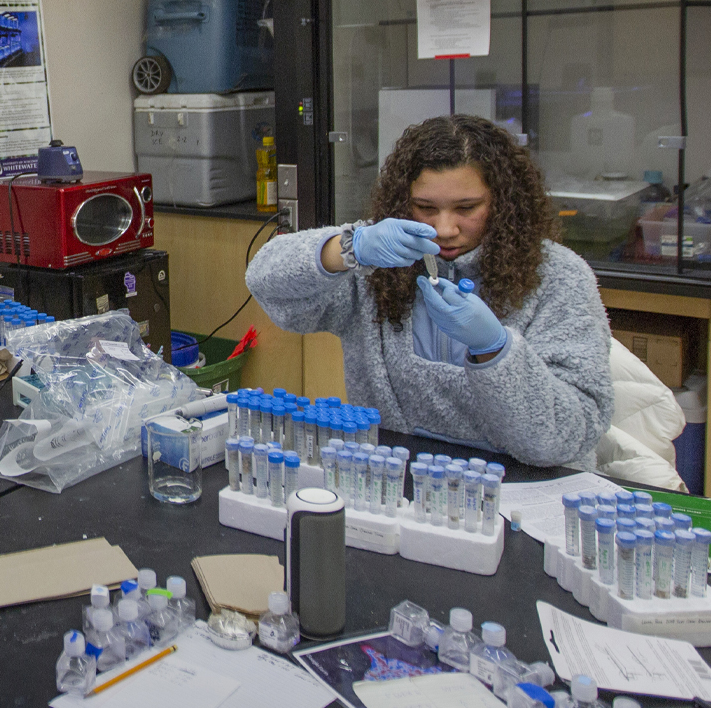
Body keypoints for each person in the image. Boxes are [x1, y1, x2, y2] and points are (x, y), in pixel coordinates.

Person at [246, 114, 613, 468]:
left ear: (503, 202)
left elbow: (568, 436)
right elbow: (266, 283)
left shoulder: (559, 276)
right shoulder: (380, 257)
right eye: (425, 208)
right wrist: (348, 248)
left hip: (522, 488)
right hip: (399, 478)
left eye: (467, 208)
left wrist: (496, 350)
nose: (445, 228)